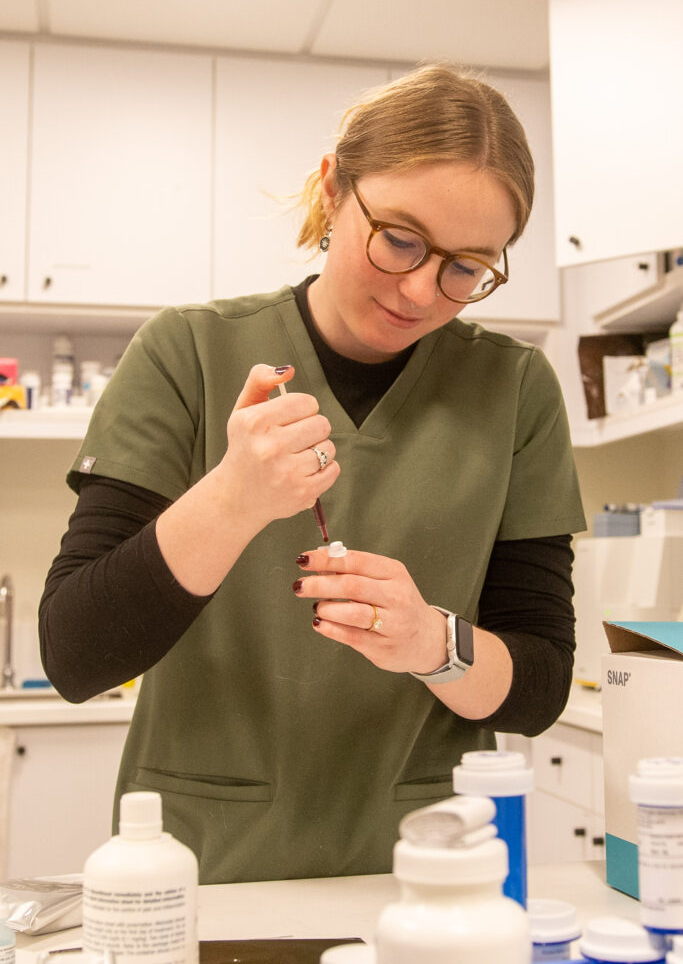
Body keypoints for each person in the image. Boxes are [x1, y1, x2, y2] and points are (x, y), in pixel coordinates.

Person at [40, 62, 586, 884]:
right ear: (333, 189)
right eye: (399, 239)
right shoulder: (186, 352)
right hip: (204, 868)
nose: (418, 290)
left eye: (466, 268)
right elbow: (75, 656)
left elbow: (538, 687)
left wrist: (428, 642)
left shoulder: (512, 389)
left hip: (429, 870)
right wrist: (232, 498)